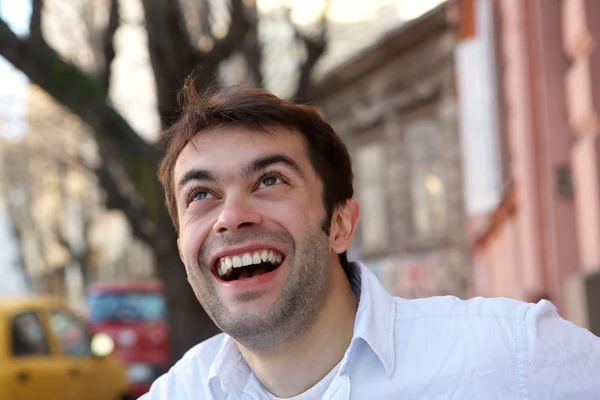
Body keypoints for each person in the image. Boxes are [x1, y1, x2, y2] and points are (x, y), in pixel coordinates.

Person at [141, 82, 600, 400]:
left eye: (270, 180)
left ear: (340, 224)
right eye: (201, 194)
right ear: (183, 246)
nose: (232, 217)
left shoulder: (512, 354)